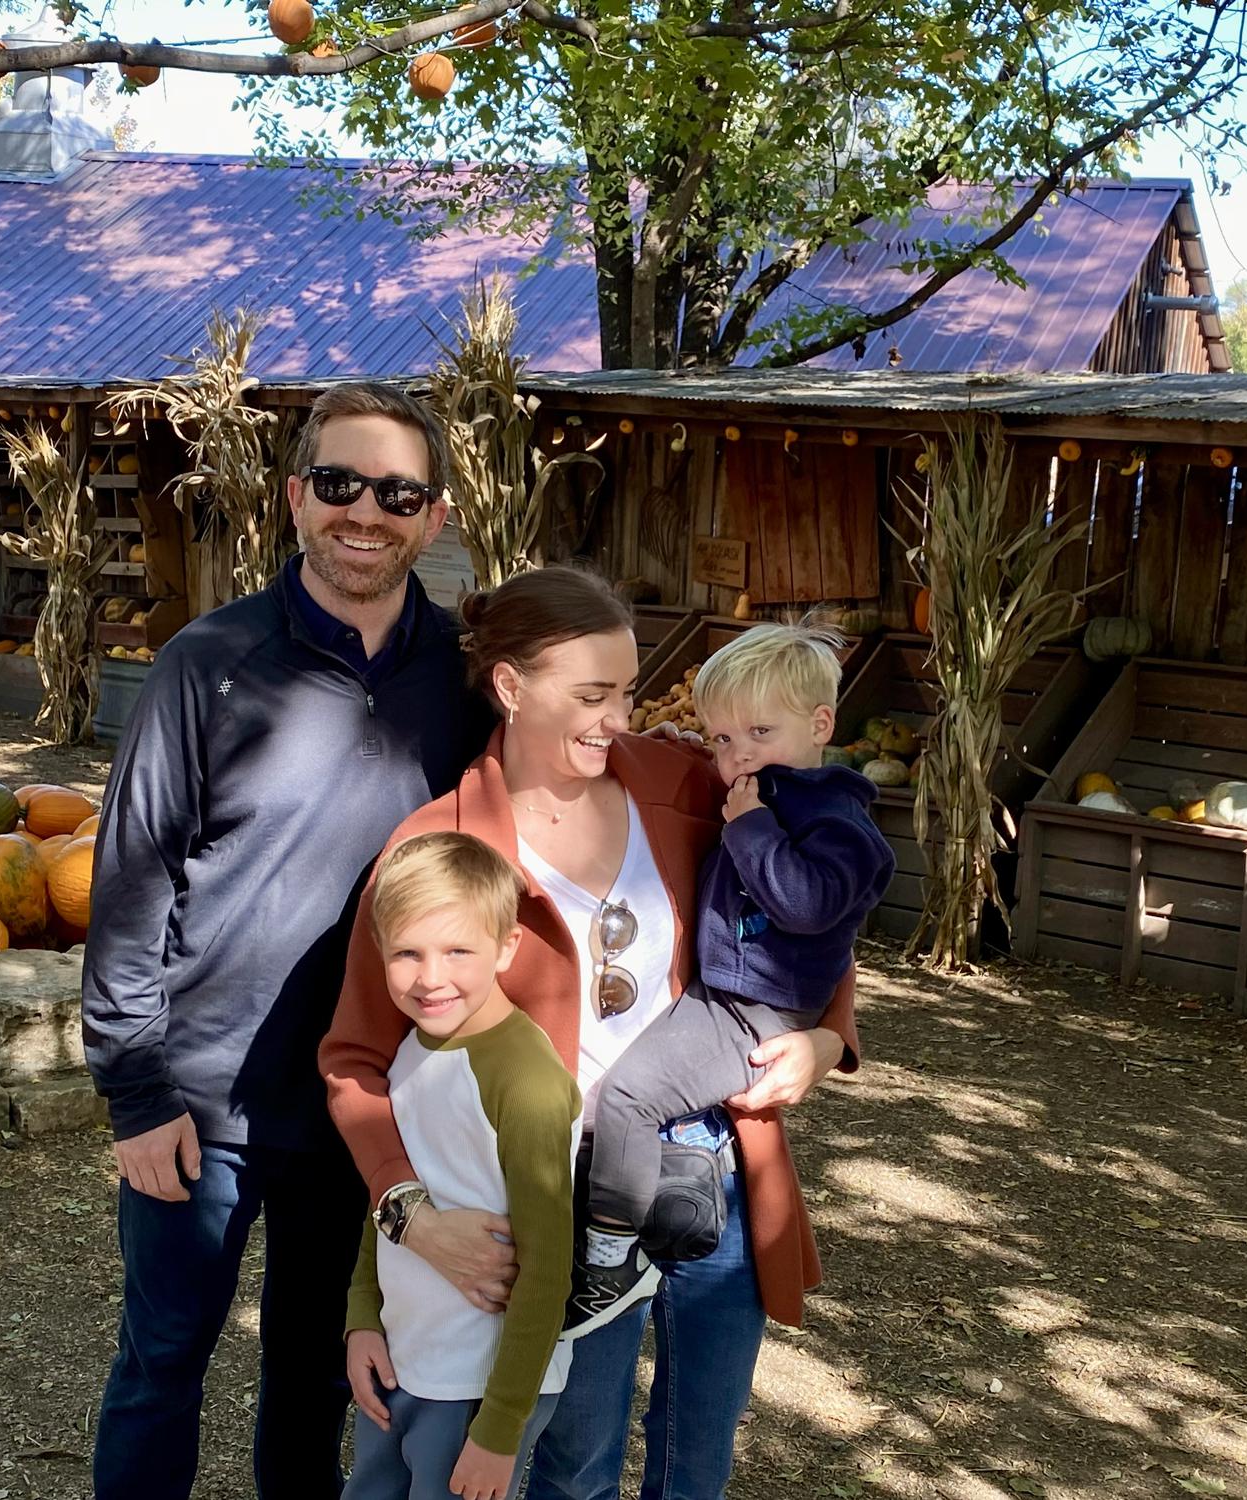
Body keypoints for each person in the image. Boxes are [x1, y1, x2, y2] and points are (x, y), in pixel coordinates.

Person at [321, 566, 862, 1500]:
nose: (621, 719)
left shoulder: (684, 782)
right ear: (510, 687)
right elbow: (356, 1062)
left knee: (700, 1454)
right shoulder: (439, 846)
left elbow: (812, 903)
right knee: (576, 1465)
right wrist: (406, 1214)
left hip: (719, 1162)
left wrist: (826, 1039)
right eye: (593, 694)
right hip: (567, 1200)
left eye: (629, 691)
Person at [81, 382, 497, 1500]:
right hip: (202, 1103)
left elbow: (569, 800)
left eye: (398, 492)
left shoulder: (464, 681)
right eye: (341, 484)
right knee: (163, 1362)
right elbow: (132, 879)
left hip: (365, 1099)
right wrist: (134, 1088)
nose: (367, 512)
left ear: (436, 514)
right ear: (295, 497)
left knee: (319, 1373)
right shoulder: (207, 662)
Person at [568, 622, 895, 1330]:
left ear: (821, 724)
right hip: (732, 995)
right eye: (721, 739)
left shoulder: (836, 821)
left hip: (757, 1009)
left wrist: (750, 828)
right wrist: (695, 760)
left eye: (758, 732)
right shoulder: (767, 789)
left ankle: (608, 1251)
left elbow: (808, 907)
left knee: (626, 1096)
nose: (737, 753)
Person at [341, 831, 582, 1500]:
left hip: (475, 1389)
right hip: (403, 1357)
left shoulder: (525, 1082)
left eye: (457, 951)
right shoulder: (414, 1045)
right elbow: (390, 1187)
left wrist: (501, 1428)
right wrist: (364, 1314)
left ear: (506, 947)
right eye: (407, 953)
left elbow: (547, 1270)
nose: (430, 977)